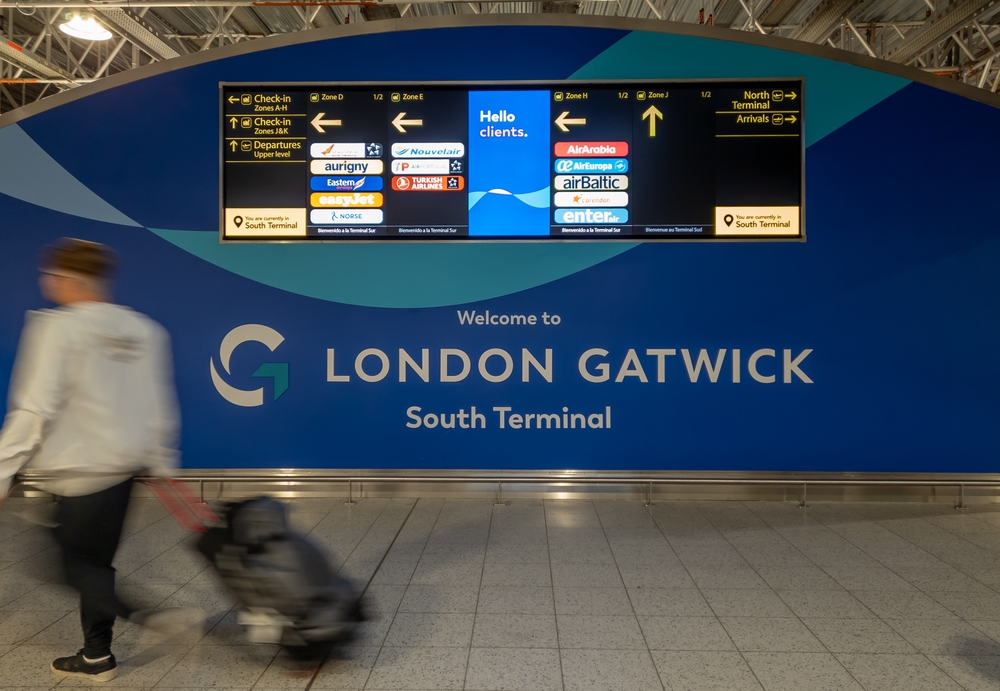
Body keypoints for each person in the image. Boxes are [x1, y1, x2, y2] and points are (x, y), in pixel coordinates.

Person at [0, 238, 195, 682]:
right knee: (96, 565)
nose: (44, 281)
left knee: (69, 566)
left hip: (73, 473)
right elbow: (158, 405)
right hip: (122, 472)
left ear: (68, 279)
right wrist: (162, 462)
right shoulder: (144, 329)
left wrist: (3, 469)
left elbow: (34, 409)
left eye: (49, 274)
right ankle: (96, 656)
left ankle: (145, 616)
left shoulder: (55, 328)